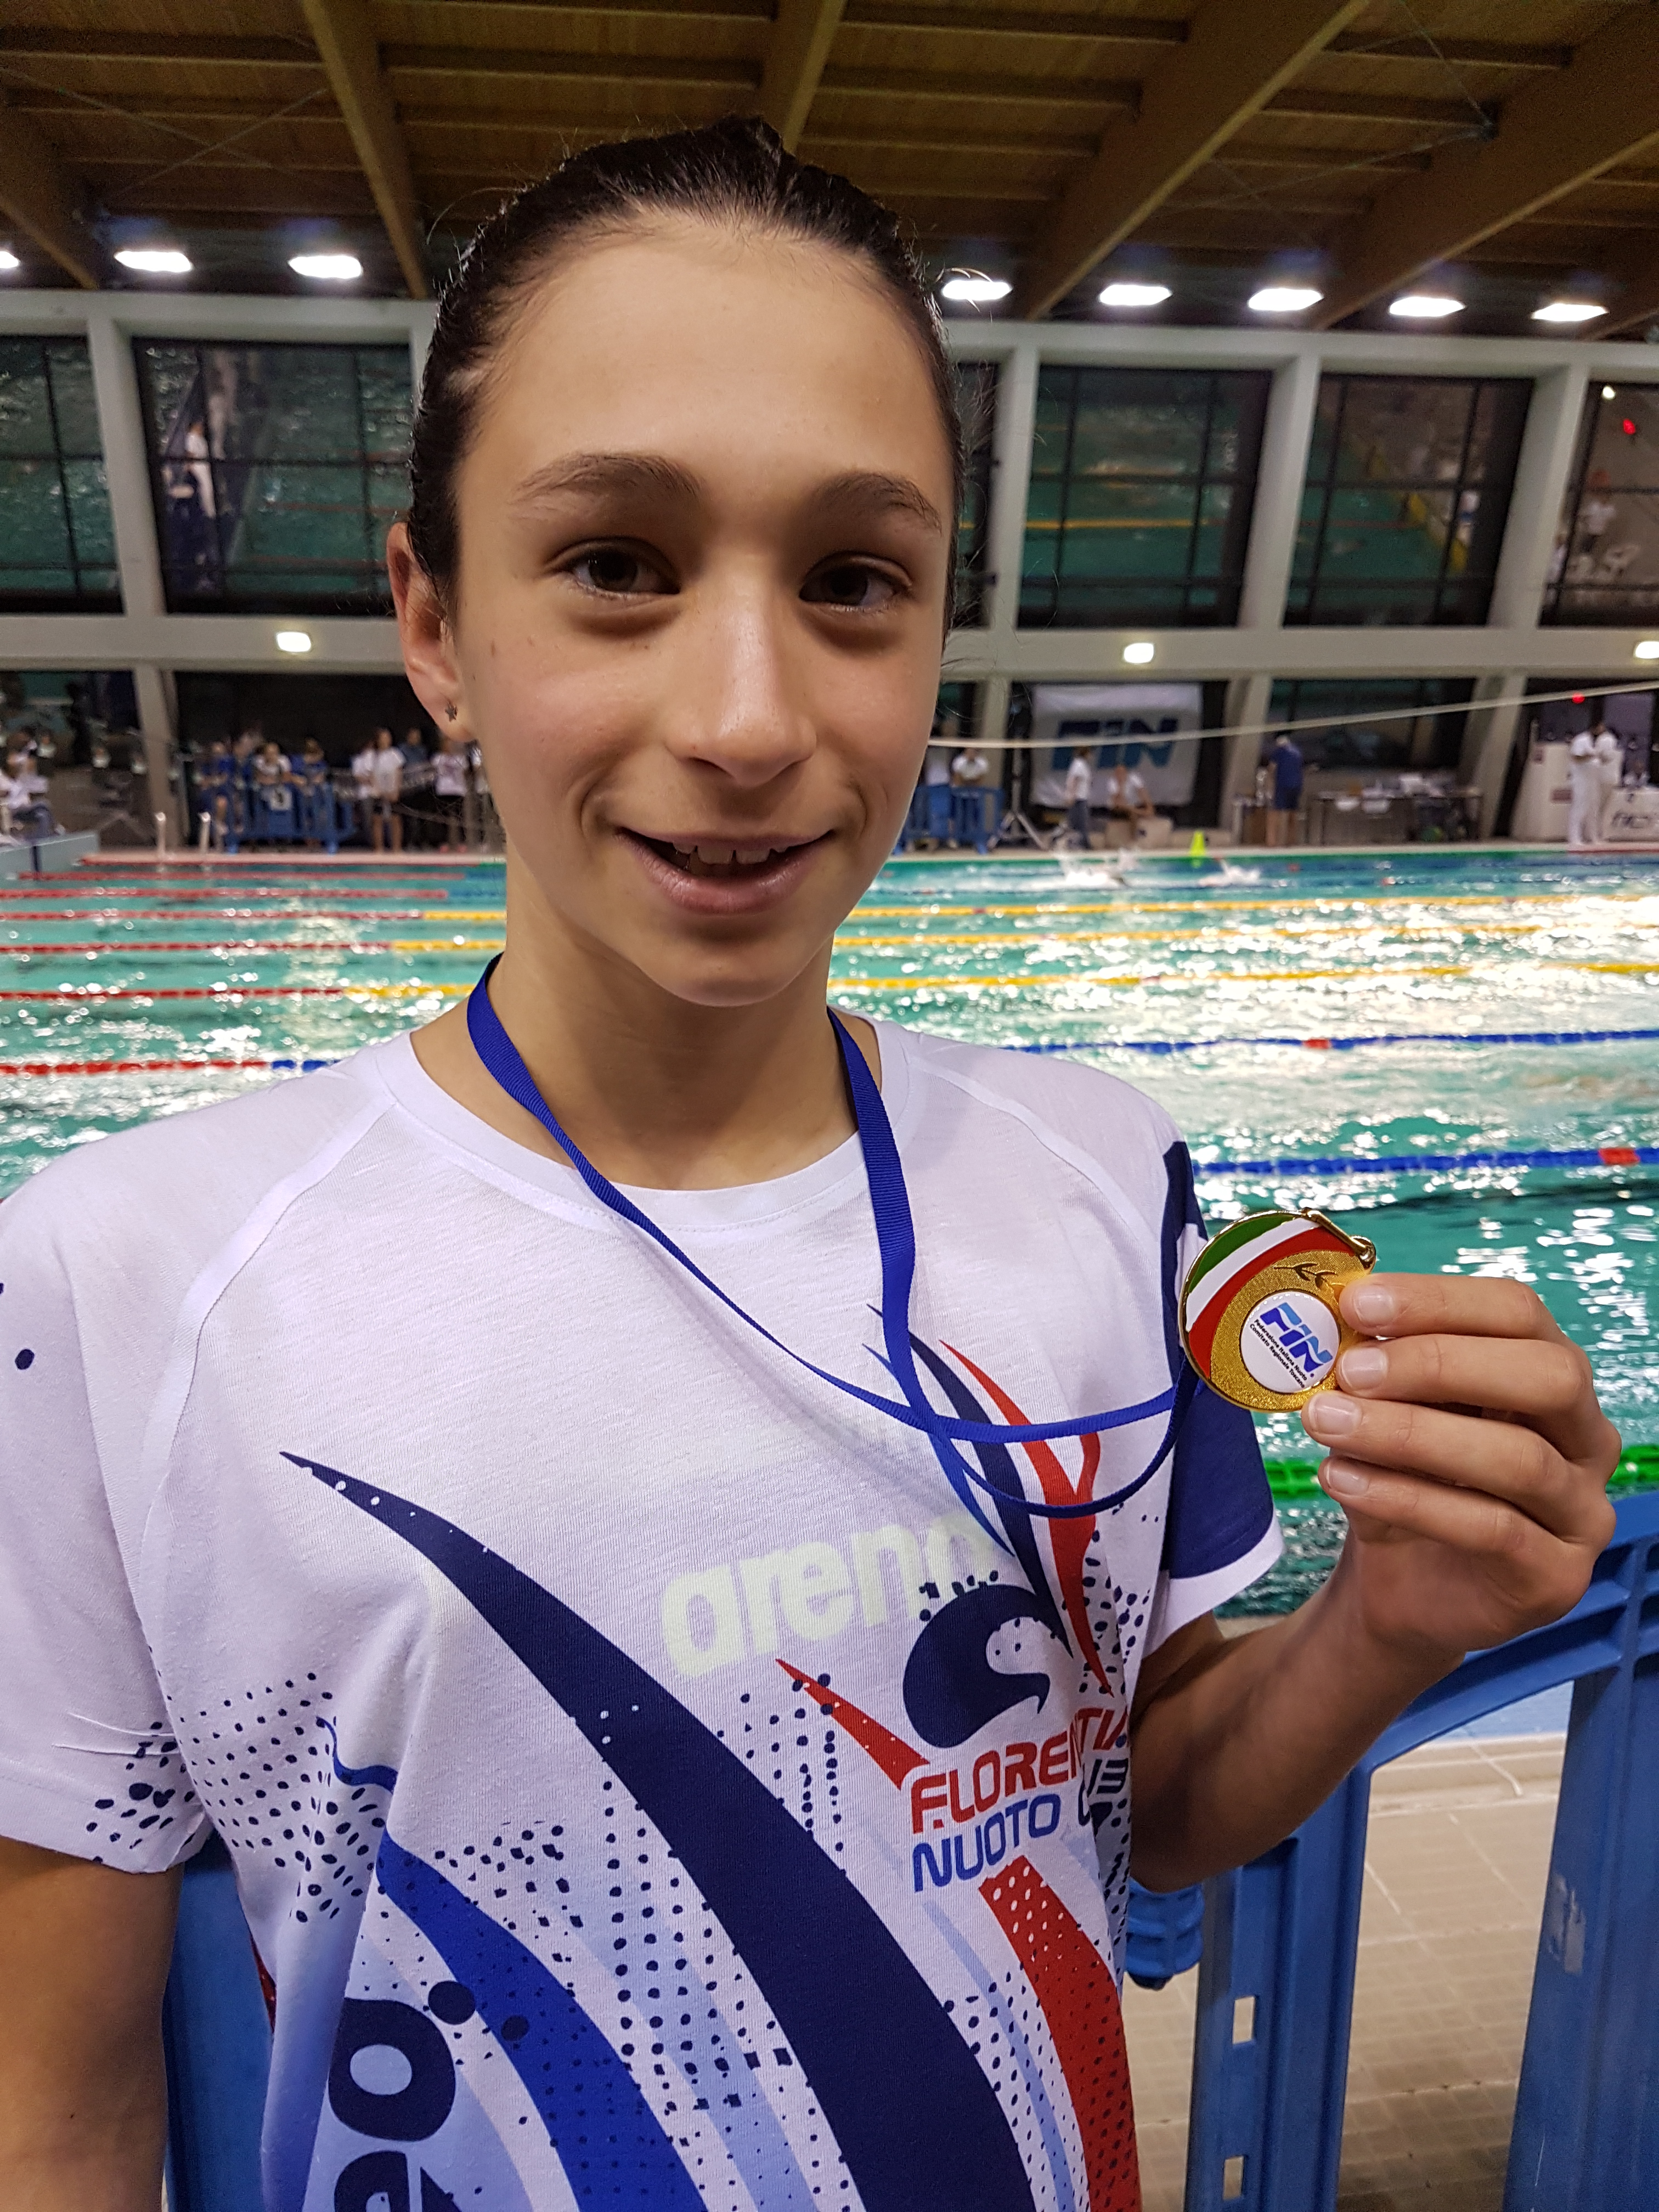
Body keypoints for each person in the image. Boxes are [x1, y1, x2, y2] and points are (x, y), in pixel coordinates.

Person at [0, 118, 1619, 2212]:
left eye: (852, 581)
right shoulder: (120, 1281)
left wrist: (1384, 1621)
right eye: (616, 565)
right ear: (432, 619)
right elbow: (52, 2115)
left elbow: (1135, 1805)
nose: (750, 719)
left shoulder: (1094, 1171)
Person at [432, 729, 471, 851]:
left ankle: (462, 843)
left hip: (458, 790)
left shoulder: (461, 759)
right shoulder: (437, 758)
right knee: (443, 818)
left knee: (460, 817)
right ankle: (444, 842)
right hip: (443, 790)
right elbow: (434, 773)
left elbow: (466, 774)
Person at [367, 724, 403, 853]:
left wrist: (396, 790)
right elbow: (370, 774)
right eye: (384, 737)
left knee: (395, 819)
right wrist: (377, 790)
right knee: (377, 819)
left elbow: (399, 773)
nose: (387, 740)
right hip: (378, 792)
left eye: (388, 737)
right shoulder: (372, 756)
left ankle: (397, 848)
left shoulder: (395, 754)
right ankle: (379, 848)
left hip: (392, 792)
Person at [1567, 727, 1605, 848]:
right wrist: (1590, 756)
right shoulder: (1581, 740)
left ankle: (1593, 837)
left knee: (1594, 810)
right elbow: (1576, 758)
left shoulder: (1597, 743)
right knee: (1579, 808)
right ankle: (1575, 838)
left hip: (1593, 781)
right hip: (1581, 781)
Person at [1267, 730, 1304, 847]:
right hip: (1296, 785)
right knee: (1293, 813)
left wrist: (1269, 783)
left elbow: (1272, 769)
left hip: (1282, 785)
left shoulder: (1279, 752)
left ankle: (1272, 842)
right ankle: (1291, 841)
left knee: (1276, 812)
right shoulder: (1297, 752)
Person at [1064, 745, 1093, 847]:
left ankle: (1080, 844)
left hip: (1082, 797)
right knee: (1080, 823)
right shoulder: (1079, 764)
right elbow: (1075, 781)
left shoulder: (1083, 764)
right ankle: (1084, 845)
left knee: (1080, 822)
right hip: (1078, 799)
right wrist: (1072, 796)